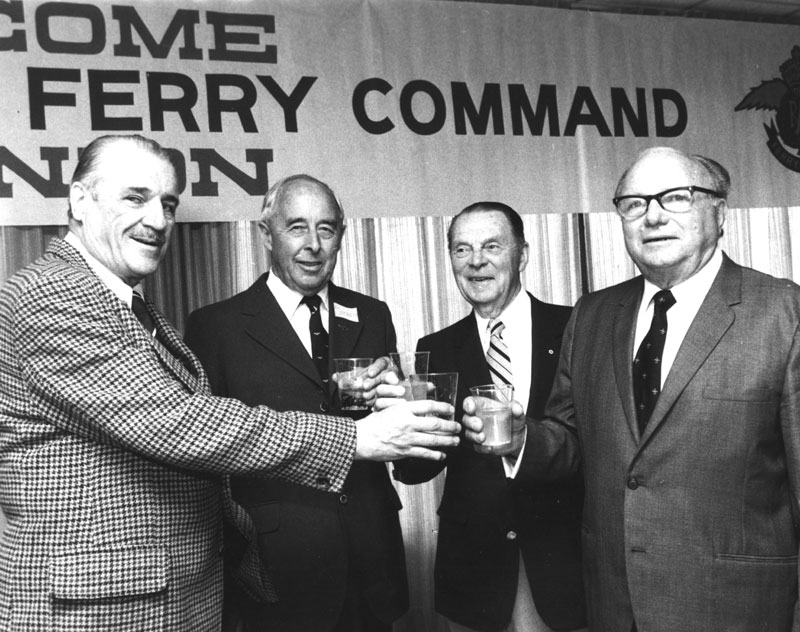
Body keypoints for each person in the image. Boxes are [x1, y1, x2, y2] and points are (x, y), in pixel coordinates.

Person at [0, 134, 459, 632]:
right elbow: (174, 423)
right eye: (135, 197)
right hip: (103, 604)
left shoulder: (125, 302)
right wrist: (356, 438)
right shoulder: (53, 294)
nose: (157, 220)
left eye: (168, 204)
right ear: (79, 200)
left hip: (170, 593)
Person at [463, 147, 800, 631]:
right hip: (614, 606)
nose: (653, 216)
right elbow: (572, 442)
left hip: (737, 611)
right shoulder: (594, 315)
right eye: (635, 203)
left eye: (676, 197)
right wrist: (522, 439)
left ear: (720, 211)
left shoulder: (783, 313)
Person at [184, 174, 410, 632]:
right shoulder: (216, 327)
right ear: (266, 234)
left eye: (326, 229)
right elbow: (206, 456)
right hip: (277, 571)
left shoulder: (372, 313)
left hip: (371, 564)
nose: (313, 245)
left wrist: (400, 401)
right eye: (296, 227)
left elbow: (399, 444)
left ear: (341, 237)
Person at [393, 202, 586, 632]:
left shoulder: (576, 327)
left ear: (523, 254)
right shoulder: (437, 347)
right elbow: (415, 468)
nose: (476, 260)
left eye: (491, 246)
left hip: (560, 558)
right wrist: (399, 428)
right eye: (462, 250)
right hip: (474, 569)